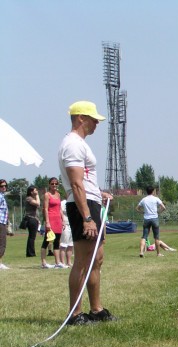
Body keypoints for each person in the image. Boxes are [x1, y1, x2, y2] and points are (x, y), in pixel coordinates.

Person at [58, 100, 116, 325]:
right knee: (82, 260)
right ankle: (74, 314)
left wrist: (98, 193)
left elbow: (85, 182)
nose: (96, 124)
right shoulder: (72, 144)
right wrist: (87, 218)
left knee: (96, 259)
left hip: (90, 202)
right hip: (82, 207)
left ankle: (96, 309)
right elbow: (76, 184)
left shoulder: (80, 144)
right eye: (93, 119)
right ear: (80, 118)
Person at [136, 186, 167, 258]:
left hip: (146, 219)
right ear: (153, 191)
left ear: (146, 191)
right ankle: (158, 253)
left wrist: (142, 212)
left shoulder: (143, 199)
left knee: (144, 236)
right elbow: (163, 207)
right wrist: (159, 212)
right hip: (154, 218)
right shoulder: (156, 199)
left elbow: (137, 208)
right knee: (156, 237)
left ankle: (141, 252)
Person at [41, 177, 64, 268]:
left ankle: (57, 262)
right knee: (47, 241)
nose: (54, 185)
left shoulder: (58, 194)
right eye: (52, 183)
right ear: (49, 185)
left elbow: (60, 208)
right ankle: (43, 262)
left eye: (56, 183)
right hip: (50, 219)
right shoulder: (47, 195)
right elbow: (45, 209)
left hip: (58, 219)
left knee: (57, 241)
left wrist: (63, 220)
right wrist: (47, 222)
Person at [0, 179, 13, 270]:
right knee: (2, 242)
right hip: (0, 222)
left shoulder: (2, 196)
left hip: (3, 221)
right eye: (1, 186)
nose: (4, 187)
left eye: (5, 186)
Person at [24, 185, 40, 258]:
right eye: (35, 190)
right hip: (31, 219)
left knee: (32, 236)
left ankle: (30, 252)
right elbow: (38, 204)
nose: (36, 191)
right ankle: (31, 253)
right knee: (32, 237)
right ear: (31, 191)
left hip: (34, 219)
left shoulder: (32, 198)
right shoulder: (29, 198)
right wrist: (37, 196)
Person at [59, 198, 74, 267]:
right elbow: (60, 211)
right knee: (64, 244)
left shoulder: (75, 202)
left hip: (73, 224)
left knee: (71, 244)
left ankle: (69, 262)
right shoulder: (63, 203)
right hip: (65, 224)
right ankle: (62, 262)